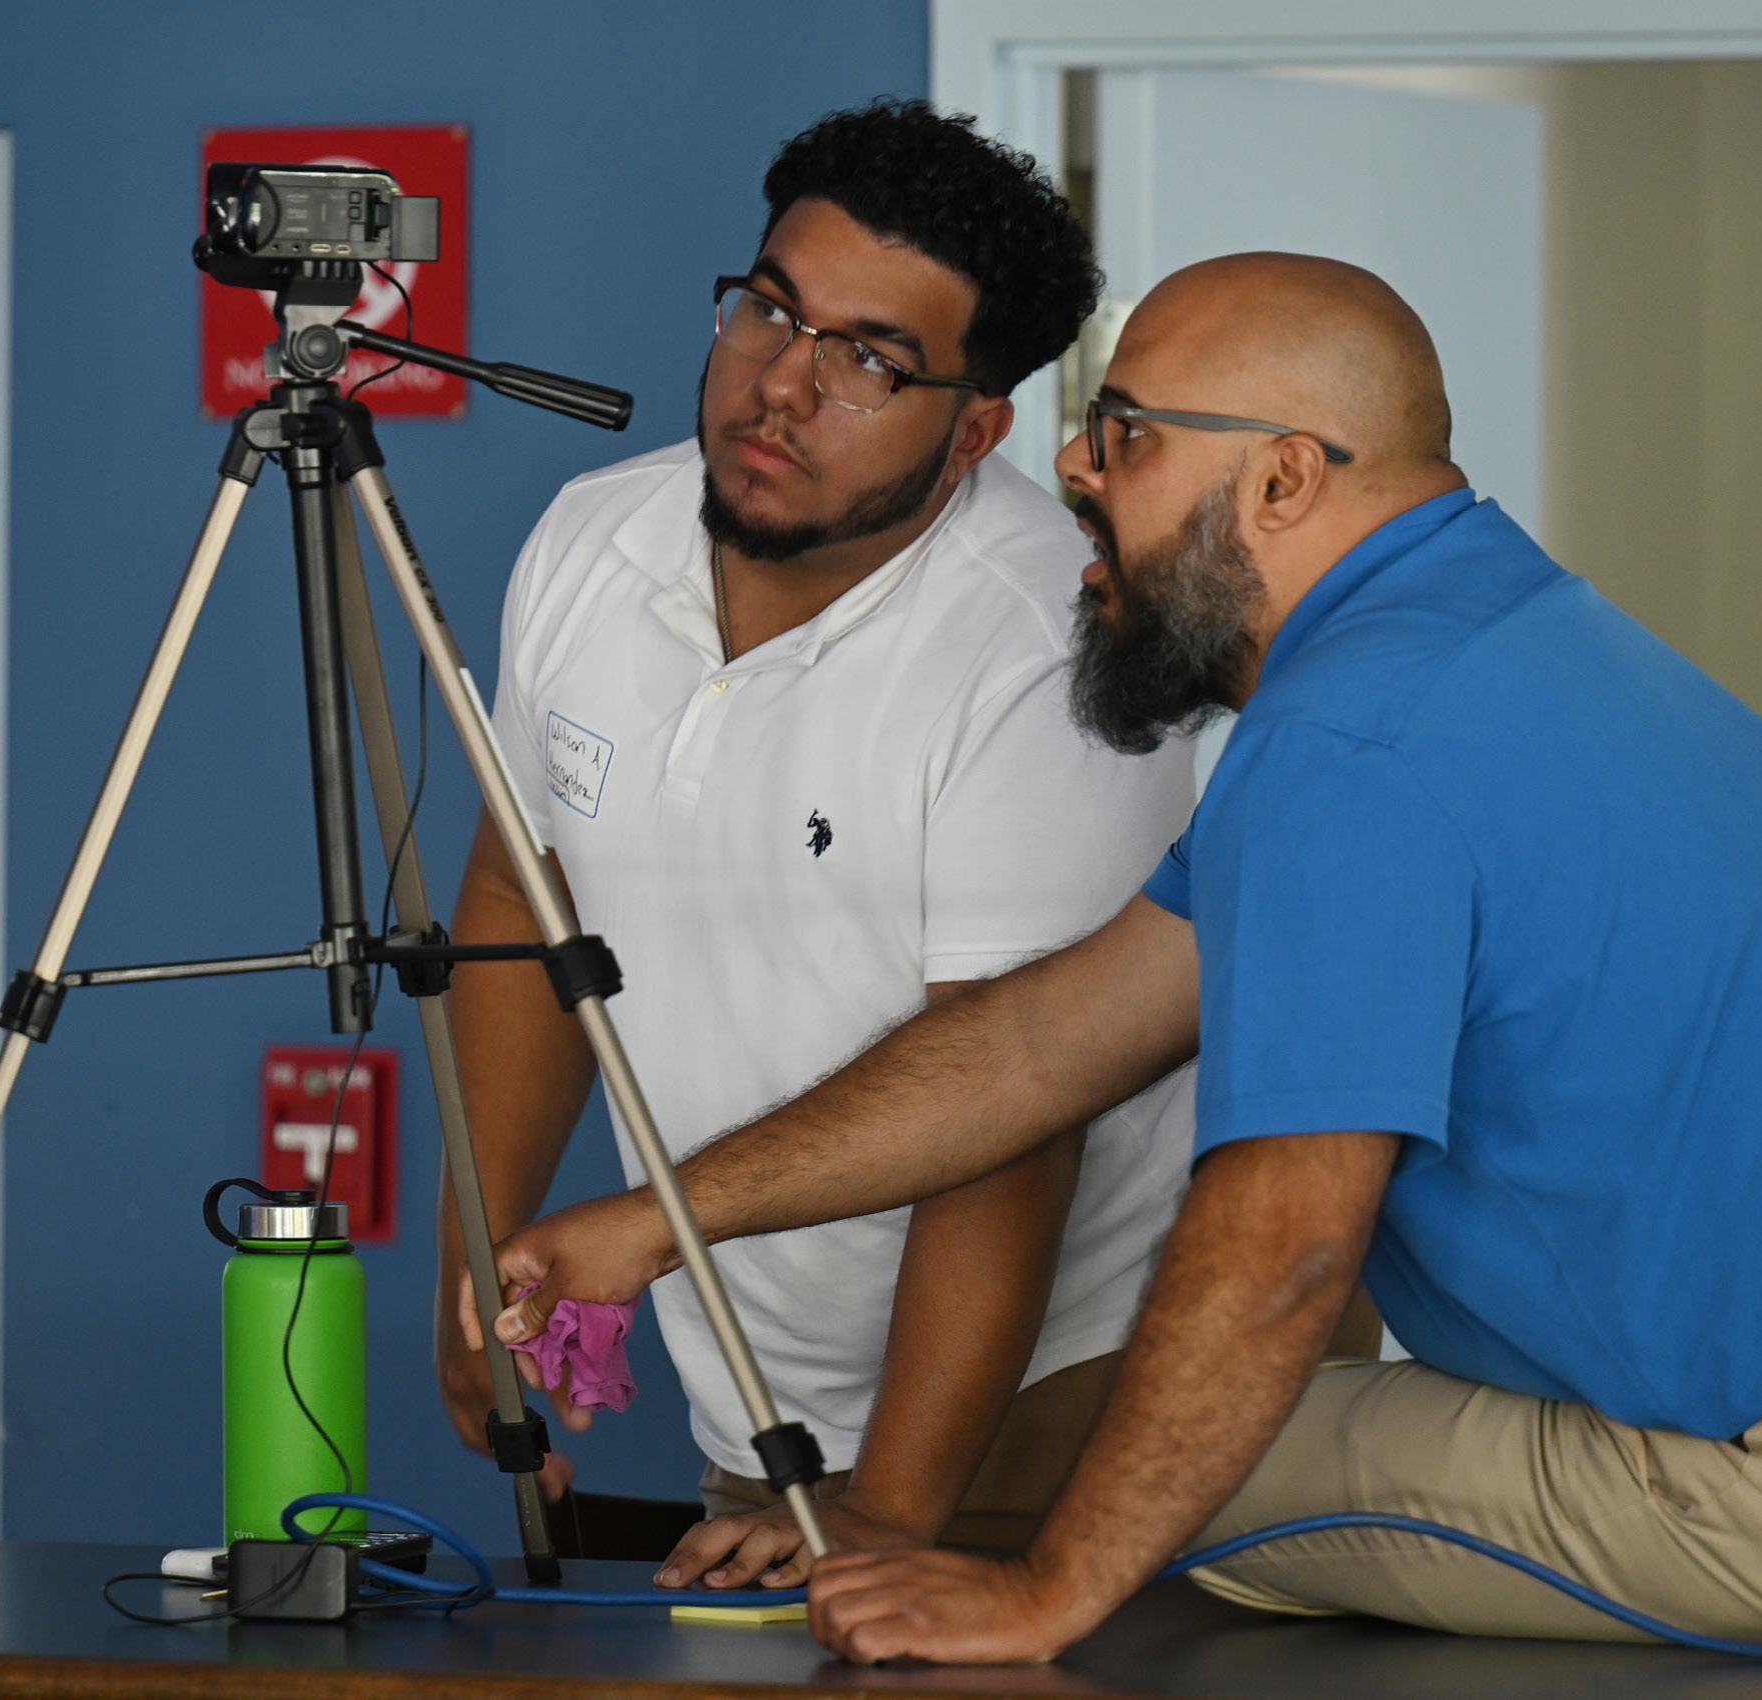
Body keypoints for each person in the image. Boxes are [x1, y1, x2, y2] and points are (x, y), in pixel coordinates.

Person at [474, 252, 1762, 1661]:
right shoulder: (1481, 640)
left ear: (1287, 478)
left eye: (1126, 432)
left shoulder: (1349, 750)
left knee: (1110, 1475)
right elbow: (1044, 1043)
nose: (1072, 466)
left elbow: (1288, 1248)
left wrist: (1043, 1591)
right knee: (1168, 1432)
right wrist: (659, 1220)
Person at [438, 99, 1222, 1589]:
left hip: (1056, 1403)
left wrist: (894, 1509)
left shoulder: (1048, 643)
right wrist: (476, 1264)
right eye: (769, 309)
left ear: (976, 429)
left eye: (870, 360)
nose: (781, 384)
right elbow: (519, 899)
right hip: (755, 1383)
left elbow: (1018, 1102)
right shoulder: (590, 543)